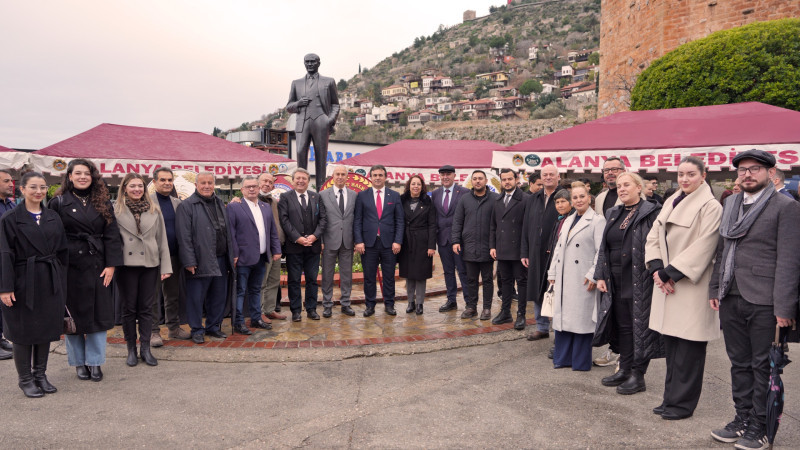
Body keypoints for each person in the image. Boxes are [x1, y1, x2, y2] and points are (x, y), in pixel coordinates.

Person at [708, 149, 800, 449]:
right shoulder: (732, 202)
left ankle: (760, 425)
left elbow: (789, 260)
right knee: (738, 363)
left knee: (763, 366)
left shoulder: (785, 206)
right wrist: (714, 289)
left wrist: (785, 307)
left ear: (770, 173)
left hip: (765, 300)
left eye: (755, 169)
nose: (747, 174)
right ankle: (742, 417)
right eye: (743, 169)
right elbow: (722, 250)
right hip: (731, 294)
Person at [644, 156, 723, 420]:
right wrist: (656, 268)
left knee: (689, 351)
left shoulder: (711, 206)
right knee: (673, 349)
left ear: (704, 174)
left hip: (690, 285)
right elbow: (654, 234)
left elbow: (706, 245)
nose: (685, 179)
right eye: (680, 174)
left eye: (690, 174)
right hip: (667, 283)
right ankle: (670, 399)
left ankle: (682, 405)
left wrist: (669, 273)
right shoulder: (672, 199)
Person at [49, 159, 123, 382]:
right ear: (69, 176)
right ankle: (78, 363)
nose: (82, 177)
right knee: (73, 318)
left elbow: (112, 235)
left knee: (98, 318)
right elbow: (52, 237)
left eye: (87, 173)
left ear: (93, 177)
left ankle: (95, 362)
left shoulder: (103, 202)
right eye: (78, 173)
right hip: (69, 267)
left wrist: (111, 265)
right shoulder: (58, 202)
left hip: (98, 266)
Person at [0, 172, 68, 397]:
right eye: (33, 187)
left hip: (49, 278)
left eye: (42, 187)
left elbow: (62, 251)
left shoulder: (52, 217)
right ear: (22, 190)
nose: (38, 191)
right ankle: (25, 379)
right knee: (23, 331)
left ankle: (40, 374)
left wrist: (60, 277)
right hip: (21, 280)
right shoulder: (10, 219)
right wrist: (5, 287)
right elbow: (4, 254)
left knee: (46, 328)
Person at [594, 172, 662, 395]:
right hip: (614, 278)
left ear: (638, 188)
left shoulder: (651, 211)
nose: (621, 189)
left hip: (638, 277)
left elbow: (657, 244)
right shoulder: (613, 212)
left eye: (627, 185)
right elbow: (604, 248)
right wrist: (600, 275)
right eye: (619, 186)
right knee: (623, 327)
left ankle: (638, 375)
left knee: (639, 328)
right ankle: (624, 368)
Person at [114, 173, 172, 367]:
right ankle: (131, 348)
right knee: (129, 309)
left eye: (140, 186)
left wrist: (165, 267)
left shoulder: (154, 210)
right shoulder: (116, 210)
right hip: (126, 266)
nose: (137, 189)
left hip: (150, 263)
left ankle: (145, 348)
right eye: (132, 186)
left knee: (147, 308)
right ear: (124, 188)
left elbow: (161, 239)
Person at [547, 182, 605, 371]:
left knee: (581, 321)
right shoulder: (568, 220)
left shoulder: (597, 221)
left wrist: (594, 275)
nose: (579, 200)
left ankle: (580, 362)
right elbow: (558, 248)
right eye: (575, 197)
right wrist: (552, 272)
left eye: (582, 196)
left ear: (589, 198)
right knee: (563, 319)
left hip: (583, 278)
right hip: (564, 277)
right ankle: (563, 358)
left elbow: (601, 251)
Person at [176, 172, 235, 345]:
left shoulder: (219, 203)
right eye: (203, 183)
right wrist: (189, 260)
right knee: (196, 298)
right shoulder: (186, 206)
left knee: (218, 296)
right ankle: (196, 329)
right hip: (199, 260)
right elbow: (183, 236)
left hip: (221, 259)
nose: (207, 186)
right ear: (196, 185)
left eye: (210, 182)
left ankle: (213, 327)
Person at [228, 175, 281, 335]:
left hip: (261, 256)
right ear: (242, 189)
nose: (251, 189)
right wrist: (235, 254)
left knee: (256, 289)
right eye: (248, 186)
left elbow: (272, 231)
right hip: (243, 257)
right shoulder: (234, 207)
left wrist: (276, 249)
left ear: (259, 189)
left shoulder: (265, 207)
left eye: (254, 186)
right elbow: (231, 233)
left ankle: (256, 318)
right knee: (241, 291)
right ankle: (238, 322)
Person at [521, 165, 564, 340]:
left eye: (551, 174)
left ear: (558, 176)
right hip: (535, 252)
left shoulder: (564, 196)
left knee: (557, 290)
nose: (547, 177)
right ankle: (542, 327)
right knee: (538, 289)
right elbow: (525, 226)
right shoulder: (533, 198)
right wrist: (524, 251)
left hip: (557, 252)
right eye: (544, 175)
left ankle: (559, 330)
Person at [354, 165, 404, 317]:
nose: (377, 177)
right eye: (374, 175)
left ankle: (389, 304)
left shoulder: (394, 196)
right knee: (369, 277)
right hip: (368, 244)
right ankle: (370, 305)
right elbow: (357, 220)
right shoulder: (362, 195)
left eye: (380, 175)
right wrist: (359, 241)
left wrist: (398, 241)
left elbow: (400, 221)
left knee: (389, 276)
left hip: (389, 244)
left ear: (385, 177)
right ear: (370, 177)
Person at [286, 53, 340, 189]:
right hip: (302, 122)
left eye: (312, 62)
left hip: (321, 120)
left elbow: (335, 104)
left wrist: (330, 120)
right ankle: (301, 186)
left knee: (321, 155)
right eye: (307, 62)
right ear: (304, 63)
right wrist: (298, 103)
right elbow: (288, 107)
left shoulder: (328, 81)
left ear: (318, 63)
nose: (309, 64)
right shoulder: (296, 83)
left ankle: (321, 188)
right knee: (300, 151)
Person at [149, 167, 191, 345]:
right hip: (153, 257)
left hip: (174, 256)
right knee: (152, 296)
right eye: (163, 180)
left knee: (172, 294)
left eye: (169, 180)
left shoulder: (177, 203)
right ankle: (153, 332)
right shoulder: (147, 201)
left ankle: (173, 328)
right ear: (155, 182)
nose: (167, 183)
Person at [279, 168, 327, 321]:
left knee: (312, 279)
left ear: (308, 181)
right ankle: (296, 311)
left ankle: (311, 309)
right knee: (294, 280)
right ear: (293, 181)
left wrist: (314, 236)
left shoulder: (316, 197)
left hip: (313, 246)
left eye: (304, 179)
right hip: (294, 247)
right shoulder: (285, 197)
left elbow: (323, 220)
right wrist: (297, 238)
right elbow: (284, 220)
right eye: (298, 178)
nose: (300, 181)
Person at [452, 170, 499, 320]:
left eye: (480, 179)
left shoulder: (495, 199)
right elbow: (457, 221)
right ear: (471, 182)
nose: (478, 181)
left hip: (487, 247)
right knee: (471, 279)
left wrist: (496, 244)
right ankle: (471, 307)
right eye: (475, 179)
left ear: (486, 181)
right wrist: (456, 240)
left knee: (487, 280)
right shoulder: (465, 199)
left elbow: (498, 223)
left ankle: (486, 308)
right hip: (469, 246)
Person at [592, 157, 625, 368]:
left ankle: (627, 356)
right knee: (609, 309)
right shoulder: (601, 198)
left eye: (615, 169)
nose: (610, 173)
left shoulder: (632, 196)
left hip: (625, 260)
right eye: (606, 170)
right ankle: (615, 349)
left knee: (625, 311)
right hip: (606, 260)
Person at [489, 169, 528, 329]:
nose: (507, 182)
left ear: (516, 179)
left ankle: (521, 315)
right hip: (502, 249)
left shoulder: (525, 199)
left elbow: (527, 228)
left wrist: (525, 251)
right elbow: (493, 225)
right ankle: (505, 312)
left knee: (522, 282)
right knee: (505, 282)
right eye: (504, 179)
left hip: (519, 250)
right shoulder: (497, 200)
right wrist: (493, 245)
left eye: (509, 179)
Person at [430, 165, 469, 312]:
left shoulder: (464, 192)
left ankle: (468, 302)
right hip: (443, 240)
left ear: (454, 176)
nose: (445, 177)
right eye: (442, 174)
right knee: (448, 272)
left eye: (448, 174)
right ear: (440, 176)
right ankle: (451, 300)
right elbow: (435, 217)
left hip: (459, 240)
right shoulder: (435, 194)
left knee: (463, 271)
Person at [320, 166, 356, 317]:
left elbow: (356, 219)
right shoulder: (322, 195)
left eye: (343, 174)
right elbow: (319, 219)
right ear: (332, 176)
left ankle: (345, 303)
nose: (340, 177)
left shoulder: (354, 195)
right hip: (328, 241)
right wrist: (320, 240)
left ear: (347, 177)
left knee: (347, 275)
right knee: (327, 275)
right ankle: (327, 304)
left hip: (348, 241)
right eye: (337, 174)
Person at [398, 175, 436, 315]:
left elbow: (432, 225)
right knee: (409, 274)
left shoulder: (427, 202)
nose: (416, 186)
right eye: (413, 184)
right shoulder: (401, 200)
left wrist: (431, 245)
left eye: (418, 184)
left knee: (421, 274)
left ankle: (420, 303)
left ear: (422, 186)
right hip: (406, 241)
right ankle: (410, 302)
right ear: (409, 185)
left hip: (422, 242)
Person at [0, 169, 16, 360]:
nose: (10, 184)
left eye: (11, 181)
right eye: (6, 181)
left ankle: (2, 338)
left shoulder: (11, 205)